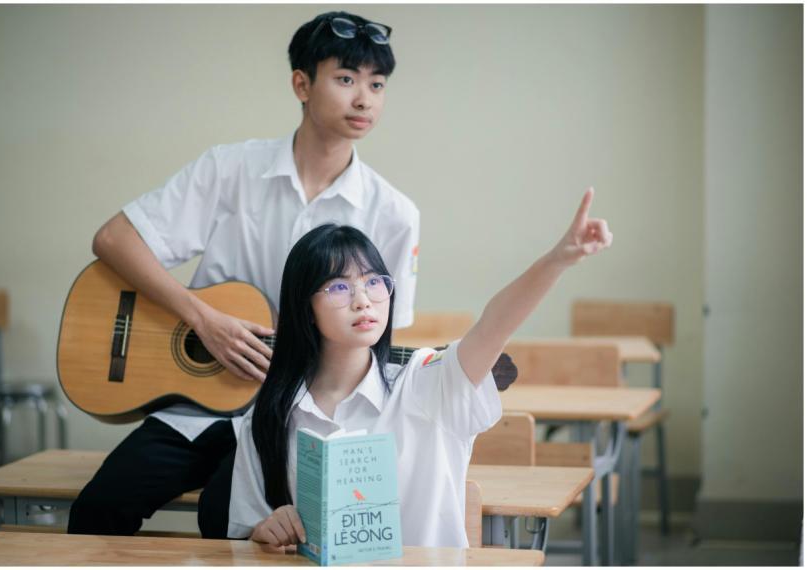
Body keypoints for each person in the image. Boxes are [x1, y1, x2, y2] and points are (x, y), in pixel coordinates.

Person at [68, 11, 420, 536]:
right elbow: (114, 239)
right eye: (346, 79)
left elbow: (382, 339)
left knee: (227, 521)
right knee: (100, 507)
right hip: (196, 407)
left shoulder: (393, 213)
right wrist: (204, 320)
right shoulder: (229, 170)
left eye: (377, 84)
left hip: (301, 418)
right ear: (301, 83)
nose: (364, 99)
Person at [200, 187, 613, 547]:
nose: (364, 300)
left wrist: (558, 261)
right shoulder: (272, 414)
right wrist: (267, 529)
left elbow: (493, 325)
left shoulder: (425, 384)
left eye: (374, 282)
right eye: (340, 286)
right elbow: (248, 527)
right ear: (304, 308)